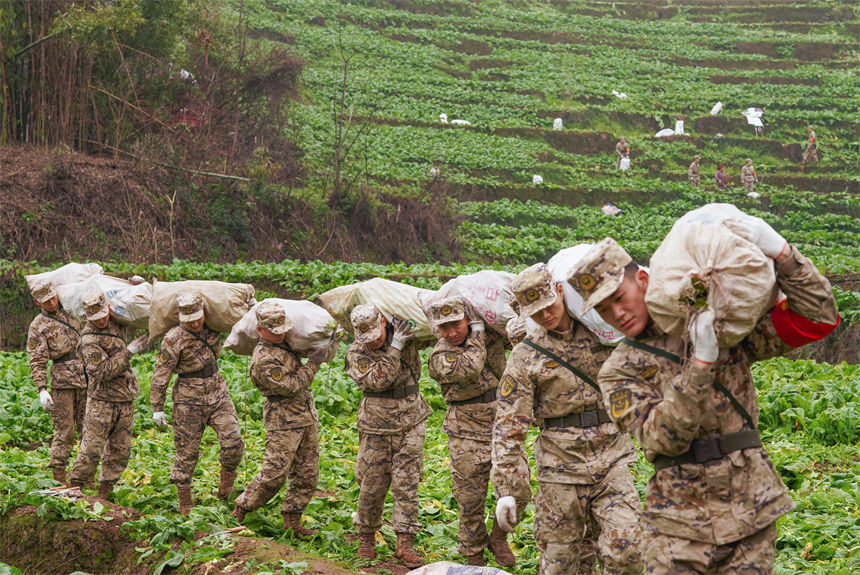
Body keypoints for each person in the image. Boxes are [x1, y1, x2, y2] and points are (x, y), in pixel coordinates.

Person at [569, 230, 840, 575]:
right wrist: (700, 366)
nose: (618, 314)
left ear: (642, 279)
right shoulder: (619, 370)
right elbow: (662, 438)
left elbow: (817, 316)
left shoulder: (716, 322)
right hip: (678, 527)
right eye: (605, 310)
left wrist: (785, 254)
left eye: (620, 297)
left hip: (750, 510)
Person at [491, 263, 643, 575]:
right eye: (536, 312)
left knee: (628, 547)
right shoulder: (526, 356)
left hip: (611, 457)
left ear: (560, 292)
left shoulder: (601, 331)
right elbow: (509, 424)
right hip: (560, 467)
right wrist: (507, 488)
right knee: (562, 562)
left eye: (549, 306)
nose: (546, 316)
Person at [426, 297, 515, 567]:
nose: (451, 333)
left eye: (456, 325)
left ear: (467, 318)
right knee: (469, 498)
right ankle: (473, 552)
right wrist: (476, 331)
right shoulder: (440, 356)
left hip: (502, 422)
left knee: (516, 488)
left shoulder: (491, 337)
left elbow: (521, 336)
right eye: (444, 328)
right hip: (465, 429)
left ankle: (499, 537)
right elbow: (471, 366)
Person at [344, 304, 431, 568]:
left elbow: (435, 331)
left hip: (411, 421)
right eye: (366, 337)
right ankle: (366, 538)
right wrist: (396, 347)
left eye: (376, 333)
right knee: (372, 485)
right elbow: (379, 380)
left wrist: (406, 335)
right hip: (376, 427)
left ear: (383, 321)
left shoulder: (403, 333)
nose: (373, 341)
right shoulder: (356, 352)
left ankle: (405, 544)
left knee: (407, 484)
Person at [233, 301, 330, 535]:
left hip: (305, 415)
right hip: (283, 420)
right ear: (260, 330)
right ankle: (241, 508)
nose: (280, 334)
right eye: (274, 331)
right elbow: (291, 386)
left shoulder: (287, 345)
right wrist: (314, 365)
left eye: (282, 329)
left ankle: (292, 520)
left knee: (308, 473)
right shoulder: (264, 358)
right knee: (274, 473)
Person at [149, 291, 245, 514]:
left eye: (197, 319)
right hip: (188, 401)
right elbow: (161, 373)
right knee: (187, 453)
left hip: (218, 393)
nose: (194, 324)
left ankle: (225, 489)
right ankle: (185, 504)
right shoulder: (173, 338)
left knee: (233, 442)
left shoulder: (214, 326)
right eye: (188, 321)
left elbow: (240, 323)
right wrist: (157, 407)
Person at [67, 289, 144, 500]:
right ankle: (75, 488)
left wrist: (138, 287)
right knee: (91, 449)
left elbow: (137, 312)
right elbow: (103, 371)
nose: (101, 321)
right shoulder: (88, 340)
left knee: (120, 451)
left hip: (125, 398)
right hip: (102, 400)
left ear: (107, 308)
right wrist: (130, 351)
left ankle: (104, 494)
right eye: (95, 319)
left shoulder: (116, 322)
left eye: (103, 316)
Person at [26, 278, 88, 484]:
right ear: (37, 302)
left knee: (90, 430)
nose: (51, 303)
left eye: (53, 297)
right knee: (65, 431)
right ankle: (59, 478)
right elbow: (37, 360)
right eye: (46, 301)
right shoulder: (38, 325)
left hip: (87, 378)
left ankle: (85, 478)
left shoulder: (73, 309)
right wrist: (42, 389)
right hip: (62, 384)